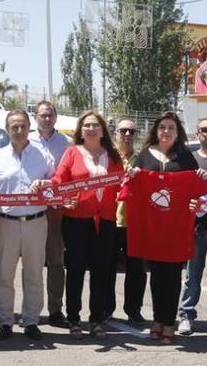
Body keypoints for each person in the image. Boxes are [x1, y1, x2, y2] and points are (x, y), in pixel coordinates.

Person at [53, 110, 123, 339]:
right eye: (86, 125)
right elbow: (58, 181)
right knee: (75, 271)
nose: (91, 129)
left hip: (105, 222)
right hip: (76, 221)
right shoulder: (71, 153)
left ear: (103, 130)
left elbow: (123, 185)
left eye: (95, 125)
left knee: (102, 272)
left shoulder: (113, 156)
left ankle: (97, 319)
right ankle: (74, 318)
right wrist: (63, 198)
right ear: (80, 130)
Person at [131, 112, 200, 344]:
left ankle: (169, 322)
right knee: (156, 275)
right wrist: (132, 176)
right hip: (152, 228)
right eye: (162, 127)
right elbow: (130, 184)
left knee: (172, 275)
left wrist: (200, 177)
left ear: (177, 132)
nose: (166, 131)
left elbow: (197, 189)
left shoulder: (186, 158)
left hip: (176, 229)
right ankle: (157, 319)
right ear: (156, 131)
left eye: (171, 127)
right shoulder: (143, 156)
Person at [0, 110, 55, 341]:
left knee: (34, 274)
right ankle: (5, 321)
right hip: (5, 223)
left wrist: (46, 183)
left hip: (36, 222)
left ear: (29, 128)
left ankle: (31, 321)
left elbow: (55, 186)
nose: (19, 131)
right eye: (14, 127)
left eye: (23, 126)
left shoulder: (43, 156)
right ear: (7, 130)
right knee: (4, 275)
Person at [178, 117, 207, 336]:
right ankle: (186, 315)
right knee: (192, 277)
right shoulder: (189, 159)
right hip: (194, 228)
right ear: (197, 133)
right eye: (204, 129)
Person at [29, 100, 72, 327]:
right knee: (33, 262)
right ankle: (32, 311)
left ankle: (56, 310)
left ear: (56, 117)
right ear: (35, 116)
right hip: (31, 209)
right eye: (43, 115)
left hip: (56, 210)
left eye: (50, 115)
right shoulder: (25, 141)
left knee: (56, 261)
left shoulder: (66, 143)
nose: (47, 118)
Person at [111, 119, 147, 324]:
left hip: (135, 222)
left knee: (136, 271)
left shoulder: (143, 159)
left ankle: (133, 310)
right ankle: (106, 309)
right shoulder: (107, 158)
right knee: (107, 268)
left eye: (132, 131)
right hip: (110, 220)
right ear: (115, 133)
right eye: (123, 131)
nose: (127, 135)